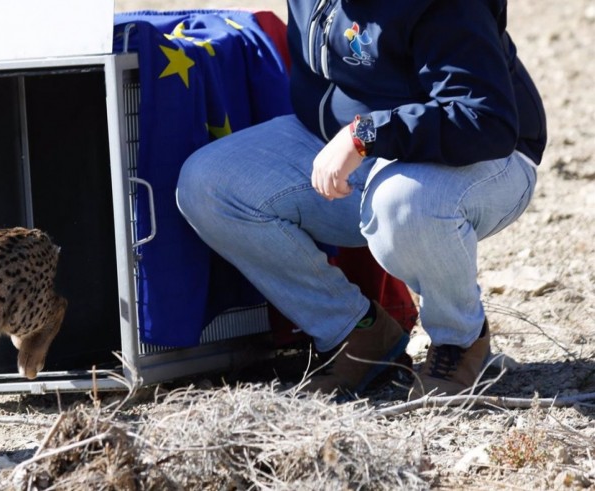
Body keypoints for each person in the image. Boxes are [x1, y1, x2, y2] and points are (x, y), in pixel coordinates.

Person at [176, 0, 546, 397]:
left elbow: (484, 121)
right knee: (209, 184)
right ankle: (357, 334)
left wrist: (366, 134)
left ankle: (460, 341)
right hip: (350, 146)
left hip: (481, 159)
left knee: (403, 204)